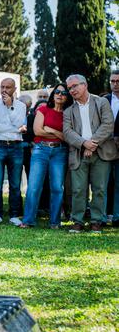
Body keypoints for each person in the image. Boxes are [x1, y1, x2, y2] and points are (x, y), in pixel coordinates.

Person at [63, 74, 117, 233]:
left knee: (99, 189)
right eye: (69, 88)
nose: (72, 90)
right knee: (78, 189)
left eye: (75, 86)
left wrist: (91, 143)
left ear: (85, 85)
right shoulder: (69, 111)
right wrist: (83, 143)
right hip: (78, 154)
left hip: (101, 152)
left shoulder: (101, 102)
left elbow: (108, 125)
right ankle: (77, 221)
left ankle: (96, 221)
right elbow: (67, 132)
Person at [20, 83, 72, 229]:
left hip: (60, 152)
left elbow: (67, 137)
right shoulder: (43, 109)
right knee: (34, 186)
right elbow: (37, 131)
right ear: (53, 94)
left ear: (67, 97)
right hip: (40, 150)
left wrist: (51, 130)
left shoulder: (68, 114)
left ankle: (55, 222)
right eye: (57, 92)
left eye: (63, 93)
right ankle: (28, 220)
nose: (59, 95)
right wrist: (58, 133)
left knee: (57, 188)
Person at [0, 78, 26, 226]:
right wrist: (16, 129)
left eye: (8, 87)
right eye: (2, 87)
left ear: (14, 89)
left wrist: (10, 107)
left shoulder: (21, 106)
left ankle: (14, 215)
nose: (4, 90)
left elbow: (19, 122)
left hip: (16, 146)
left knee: (15, 184)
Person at [104, 70, 119, 226]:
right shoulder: (104, 100)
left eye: (118, 81)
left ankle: (117, 216)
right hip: (105, 147)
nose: (115, 84)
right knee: (103, 182)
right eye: (112, 81)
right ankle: (102, 216)